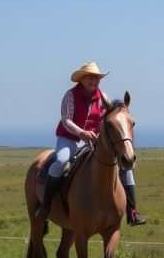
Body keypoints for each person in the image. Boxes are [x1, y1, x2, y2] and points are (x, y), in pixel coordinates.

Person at [35, 61, 146, 226]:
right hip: (69, 139)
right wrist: (81, 132)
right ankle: (46, 205)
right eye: (91, 78)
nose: (95, 81)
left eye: (97, 78)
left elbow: (109, 118)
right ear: (82, 79)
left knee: (125, 166)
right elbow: (66, 120)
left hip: (93, 139)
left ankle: (132, 211)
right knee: (62, 160)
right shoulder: (70, 95)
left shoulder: (103, 98)